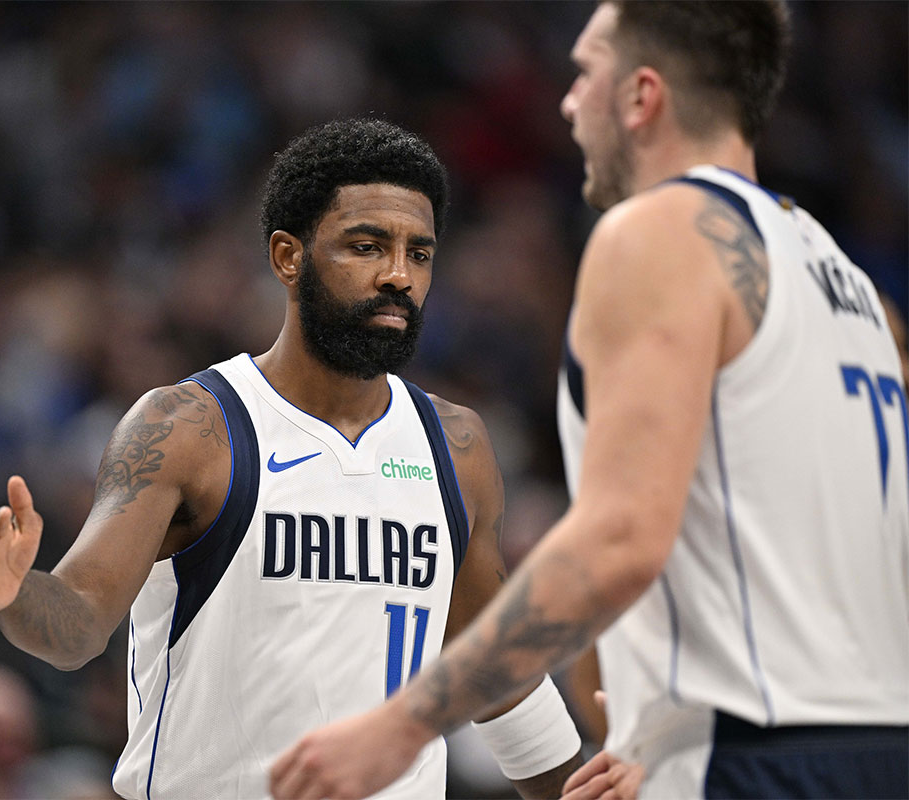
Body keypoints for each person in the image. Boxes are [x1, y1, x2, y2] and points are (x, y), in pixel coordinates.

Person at [269, 3, 909, 799]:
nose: (568, 103)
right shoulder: (855, 292)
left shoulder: (661, 232)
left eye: (585, 70)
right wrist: (653, 709)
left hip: (753, 754)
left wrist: (401, 725)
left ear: (641, 96)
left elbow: (620, 540)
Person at [0, 117, 584, 799]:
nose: (400, 275)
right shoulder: (191, 428)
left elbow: (495, 673)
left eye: (420, 253)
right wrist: (19, 595)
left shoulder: (455, 445)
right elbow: (79, 621)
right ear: (288, 256)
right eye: (367, 246)